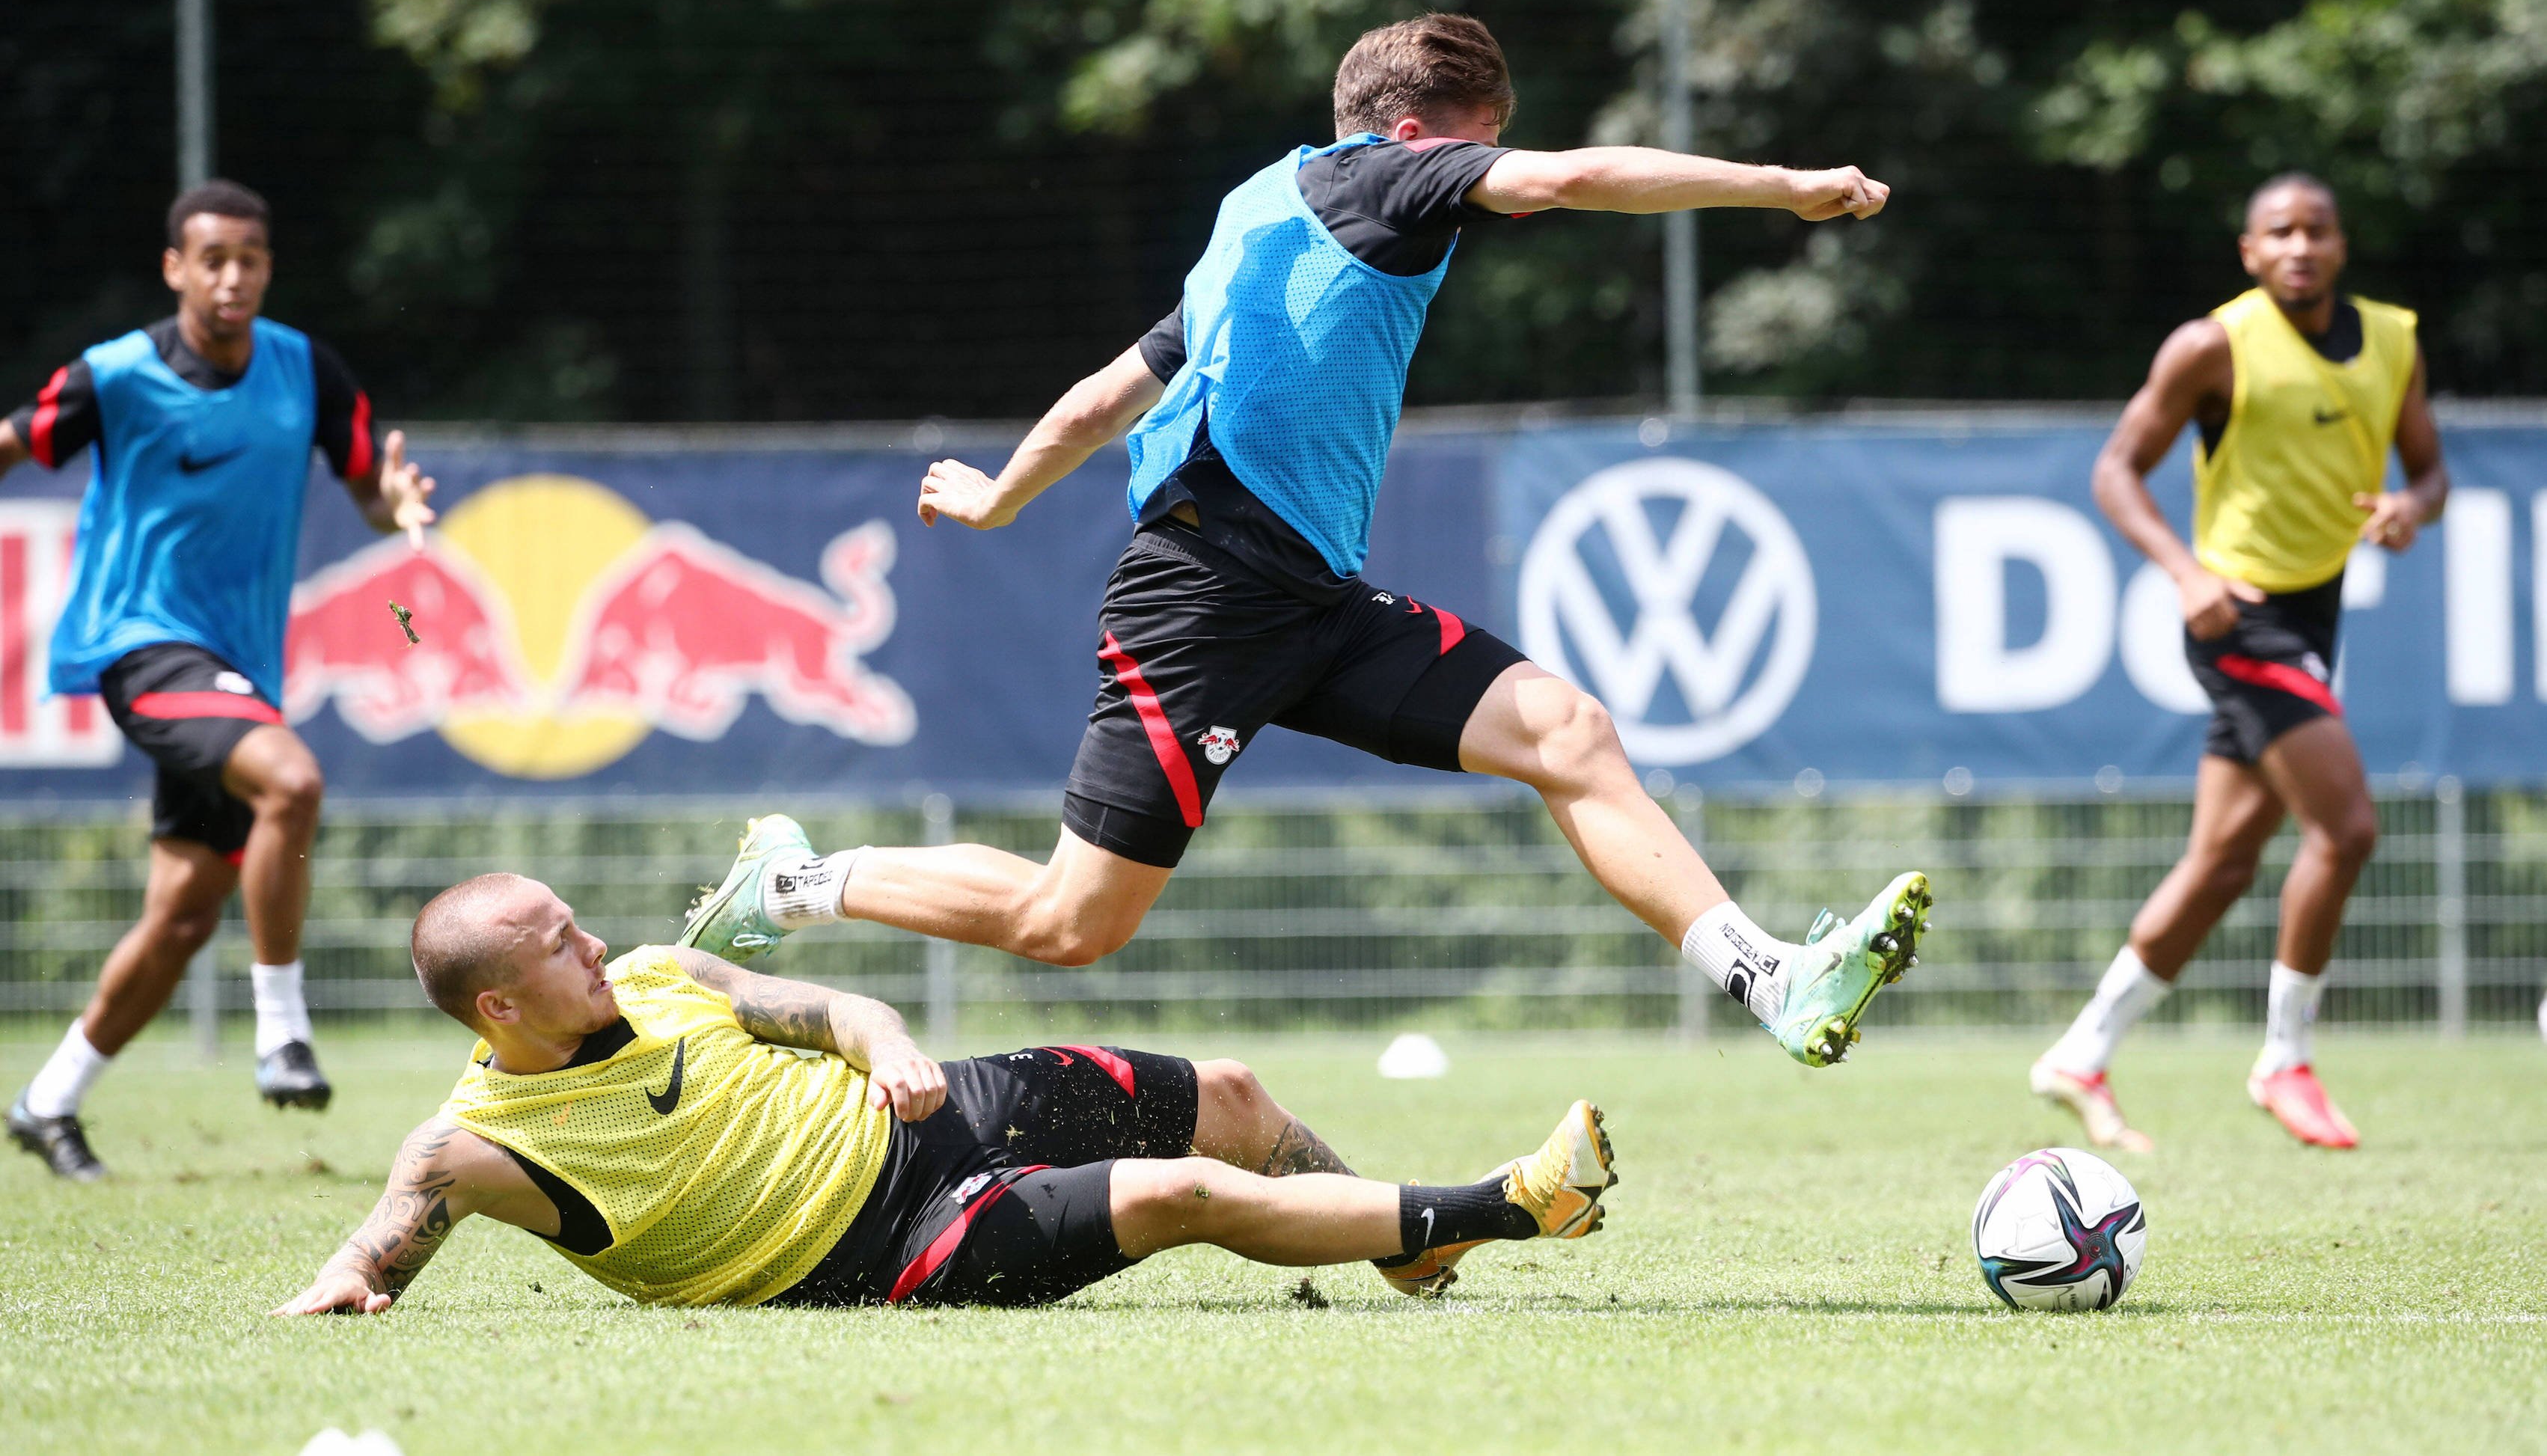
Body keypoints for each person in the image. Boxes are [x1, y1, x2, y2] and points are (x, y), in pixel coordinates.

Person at [679, 14, 1933, 1128]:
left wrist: (1004, 491)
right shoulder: (1390, 181)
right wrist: (1784, 187)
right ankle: (791, 883)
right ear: (1408, 135)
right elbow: (1575, 177)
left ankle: (1769, 978)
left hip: (1312, 599)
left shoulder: (1258, 214)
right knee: (1072, 925)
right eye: (1478, 148)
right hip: (1208, 599)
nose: (1494, 180)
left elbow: (1127, 379)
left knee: (1567, 731)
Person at [273, 874, 1615, 1314]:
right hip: (886, 1250)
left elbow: (835, 1010)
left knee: (1230, 1097)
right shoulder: (483, 1139)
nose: (590, 944)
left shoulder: (660, 973)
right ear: (497, 1009)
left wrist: (886, 1044)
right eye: (556, 947)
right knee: (1182, 1195)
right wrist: (348, 1276)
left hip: (927, 1114)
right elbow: (405, 1206)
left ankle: (1402, 1258)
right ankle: (1501, 1208)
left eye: (574, 922)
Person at [4, 180, 437, 1181]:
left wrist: (398, 501)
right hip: (139, 642)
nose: (231, 276)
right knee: (293, 781)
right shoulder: (115, 375)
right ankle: (282, 1029)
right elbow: (17, 441)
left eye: (249, 257)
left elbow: (373, 491)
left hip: (234, 668)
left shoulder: (305, 371)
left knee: (188, 910)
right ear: (175, 268)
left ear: (268, 266)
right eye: (212, 259)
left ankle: (47, 1101)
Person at [2033, 171, 2447, 1152]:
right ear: (2250, 251)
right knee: (2346, 831)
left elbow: (2430, 470)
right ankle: (2283, 1057)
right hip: (2238, 619)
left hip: (2317, 616)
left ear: (2341, 245)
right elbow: (2114, 470)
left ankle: (2082, 1052)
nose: (2300, 246)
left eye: (2318, 230)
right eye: (2279, 232)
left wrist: (2408, 509)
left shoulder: (2393, 340)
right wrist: (2182, 573)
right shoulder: (2213, 344)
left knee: (2220, 863)